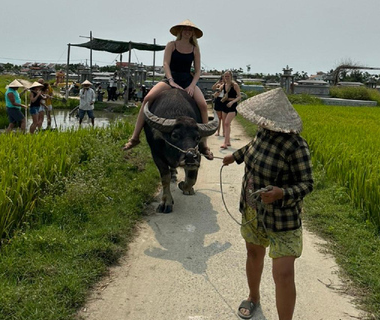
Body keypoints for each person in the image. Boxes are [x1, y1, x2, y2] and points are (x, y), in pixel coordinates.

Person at [222, 88, 314, 320]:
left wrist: (282, 192)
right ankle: (253, 297)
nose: (261, 123)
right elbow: (253, 148)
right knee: (253, 252)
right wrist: (235, 157)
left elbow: (307, 184)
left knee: (283, 273)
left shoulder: (296, 146)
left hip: (282, 218)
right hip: (253, 209)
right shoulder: (263, 133)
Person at [123, 19, 213, 160]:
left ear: (193, 33)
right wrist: (170, 80)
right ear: (180, 31)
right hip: (170, 78)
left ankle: (204, 145)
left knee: (202, 105)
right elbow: (165, 63)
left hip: (187, 81)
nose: (187, 32)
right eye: (185, 29)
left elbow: (197, 71)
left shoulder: (195, 49)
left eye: (190, 30)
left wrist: (191, 85)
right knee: (147, 99)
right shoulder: (171, 45)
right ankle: (135, 137)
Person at [219, 70, 241, 149]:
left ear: (231, 76)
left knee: (227, 123)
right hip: (225, 105)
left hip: (232, 105)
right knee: (226, 124)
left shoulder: (235, 85)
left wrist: (232, 102)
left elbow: (239, 96)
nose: (226, 77)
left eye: (228, 76)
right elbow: (218, 91)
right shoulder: (224, 85)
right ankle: (228, 141)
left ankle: (225, 143)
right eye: (225, 76)